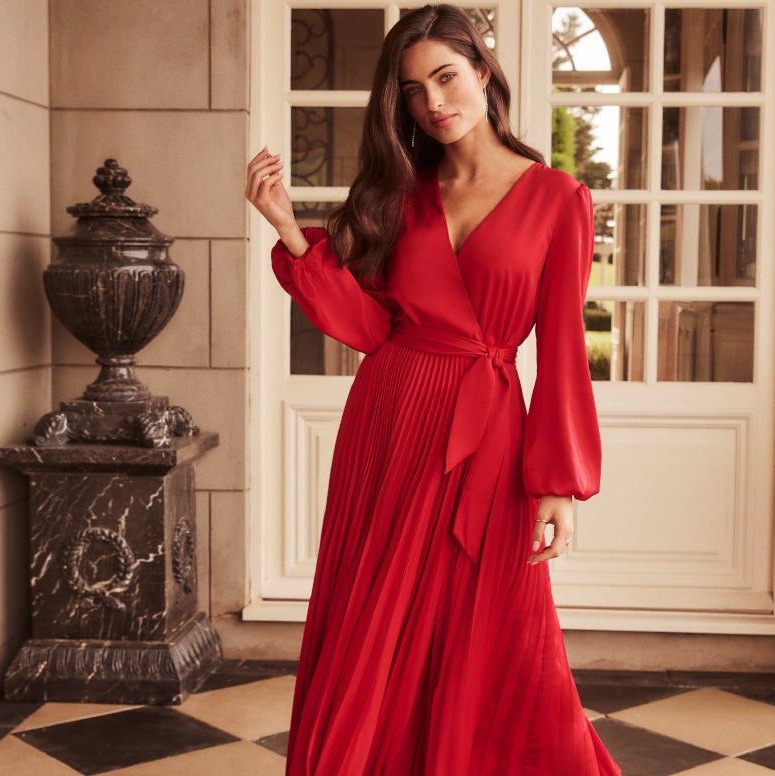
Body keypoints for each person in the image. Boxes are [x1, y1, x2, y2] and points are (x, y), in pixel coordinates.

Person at [245, 5, 619, 774]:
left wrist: (559, 483)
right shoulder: (401, 193)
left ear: (483, 72)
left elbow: (562, 351)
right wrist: (288, 230)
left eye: (446, 78)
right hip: (388, 421)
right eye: (413, 91)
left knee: (494, 626)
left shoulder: (557, 199)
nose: (434, 103)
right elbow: (370, 326)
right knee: (371, 622)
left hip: (487, 432)